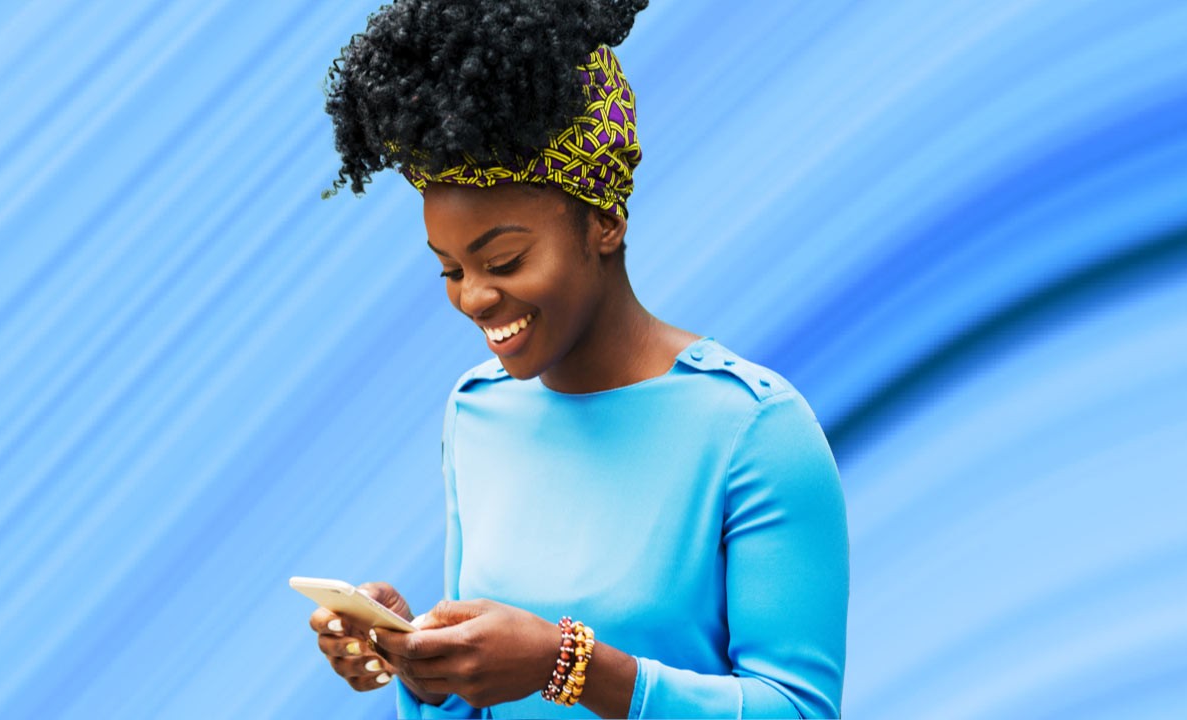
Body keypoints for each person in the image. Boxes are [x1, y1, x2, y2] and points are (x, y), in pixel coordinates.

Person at [306, 1, 850, 717]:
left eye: (504, 259)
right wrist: (423, 664)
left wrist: (566, 664)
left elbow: (800, 710)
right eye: (450, 269)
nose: (474, 298)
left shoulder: (753, 429)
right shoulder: (476, 413)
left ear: (604, 221)